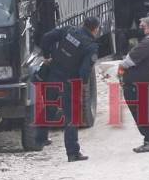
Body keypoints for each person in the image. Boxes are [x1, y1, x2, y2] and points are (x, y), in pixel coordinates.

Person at [36, 17, 101, 162]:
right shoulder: (91, 47)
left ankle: (39, 139)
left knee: (50, 107)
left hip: (53, 75)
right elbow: (84, 72)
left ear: (83, 24)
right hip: (69, 82)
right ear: (95, 29)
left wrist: (47, 56)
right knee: (72, 117)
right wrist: (81, 85)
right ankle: (73, 153)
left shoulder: (68, 30)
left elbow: (46, 37)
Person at [119, 18, 149, 153]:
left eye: (142, 26)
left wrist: (119, 71)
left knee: (143, 112)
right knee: (147, 111)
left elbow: (128, 61)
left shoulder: (148, 43)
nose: (139, 29)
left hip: (144, 84)